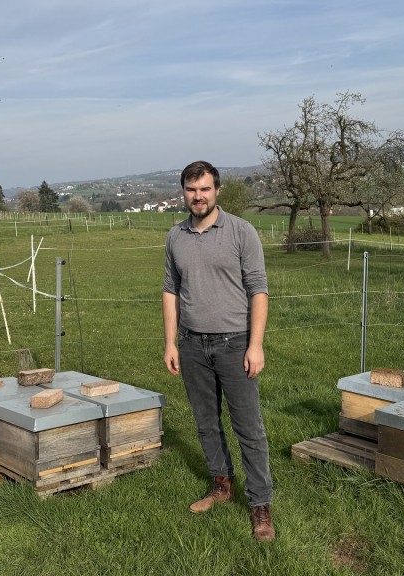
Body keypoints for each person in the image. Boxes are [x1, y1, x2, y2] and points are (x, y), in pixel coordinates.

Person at [162, 160, 275, 542]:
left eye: (205, 189)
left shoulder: (241, 232)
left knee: (249, 428)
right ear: (184, 193)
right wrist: (170, 342)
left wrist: (255, 345)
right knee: (206, 422)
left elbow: (258, 289)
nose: (199, 196)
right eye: (192, 190)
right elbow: (170, 290)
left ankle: (260, 505)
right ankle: (222, 485)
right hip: (192, 344)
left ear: (217, 191)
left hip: (234, 344)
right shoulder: (175, 236)